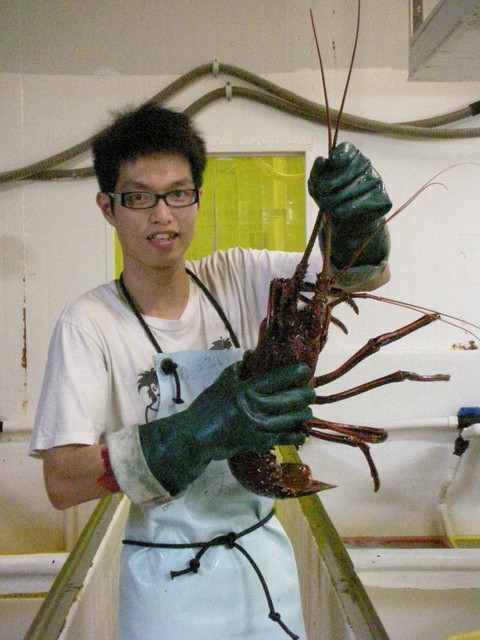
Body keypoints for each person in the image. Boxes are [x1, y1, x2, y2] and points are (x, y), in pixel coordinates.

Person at [30, 103, 392, 640]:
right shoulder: (89, 322)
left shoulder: (239, 275)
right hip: (164, 584)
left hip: (263, 563)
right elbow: (62, 481)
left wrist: (360, 225)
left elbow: (355, 277)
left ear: (198, 197)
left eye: (178, 193)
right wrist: (193, 432)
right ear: (108, 207)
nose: (163, 215)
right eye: (139, 197)